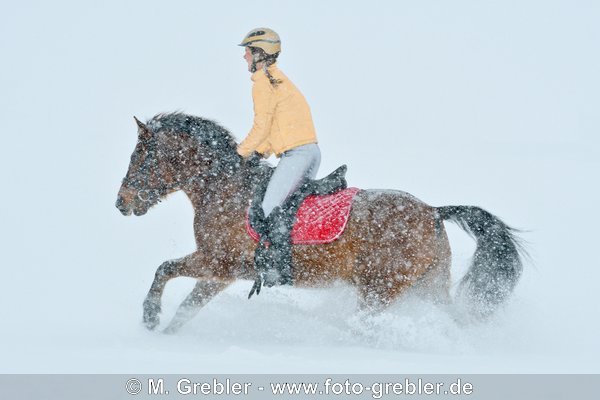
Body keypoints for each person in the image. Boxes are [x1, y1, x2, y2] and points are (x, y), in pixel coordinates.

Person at [237, 27, 321, 287]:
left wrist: (239, 153)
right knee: (286, 208)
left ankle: (278, 269)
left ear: (261, 53)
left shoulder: (264, 82)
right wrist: (260, 152)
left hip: (298, 154)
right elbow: (275, 130)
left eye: (248, 52)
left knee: (269, 206)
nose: (245, 58)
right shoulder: (276, 78)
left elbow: (261, 126)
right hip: (305, 152)